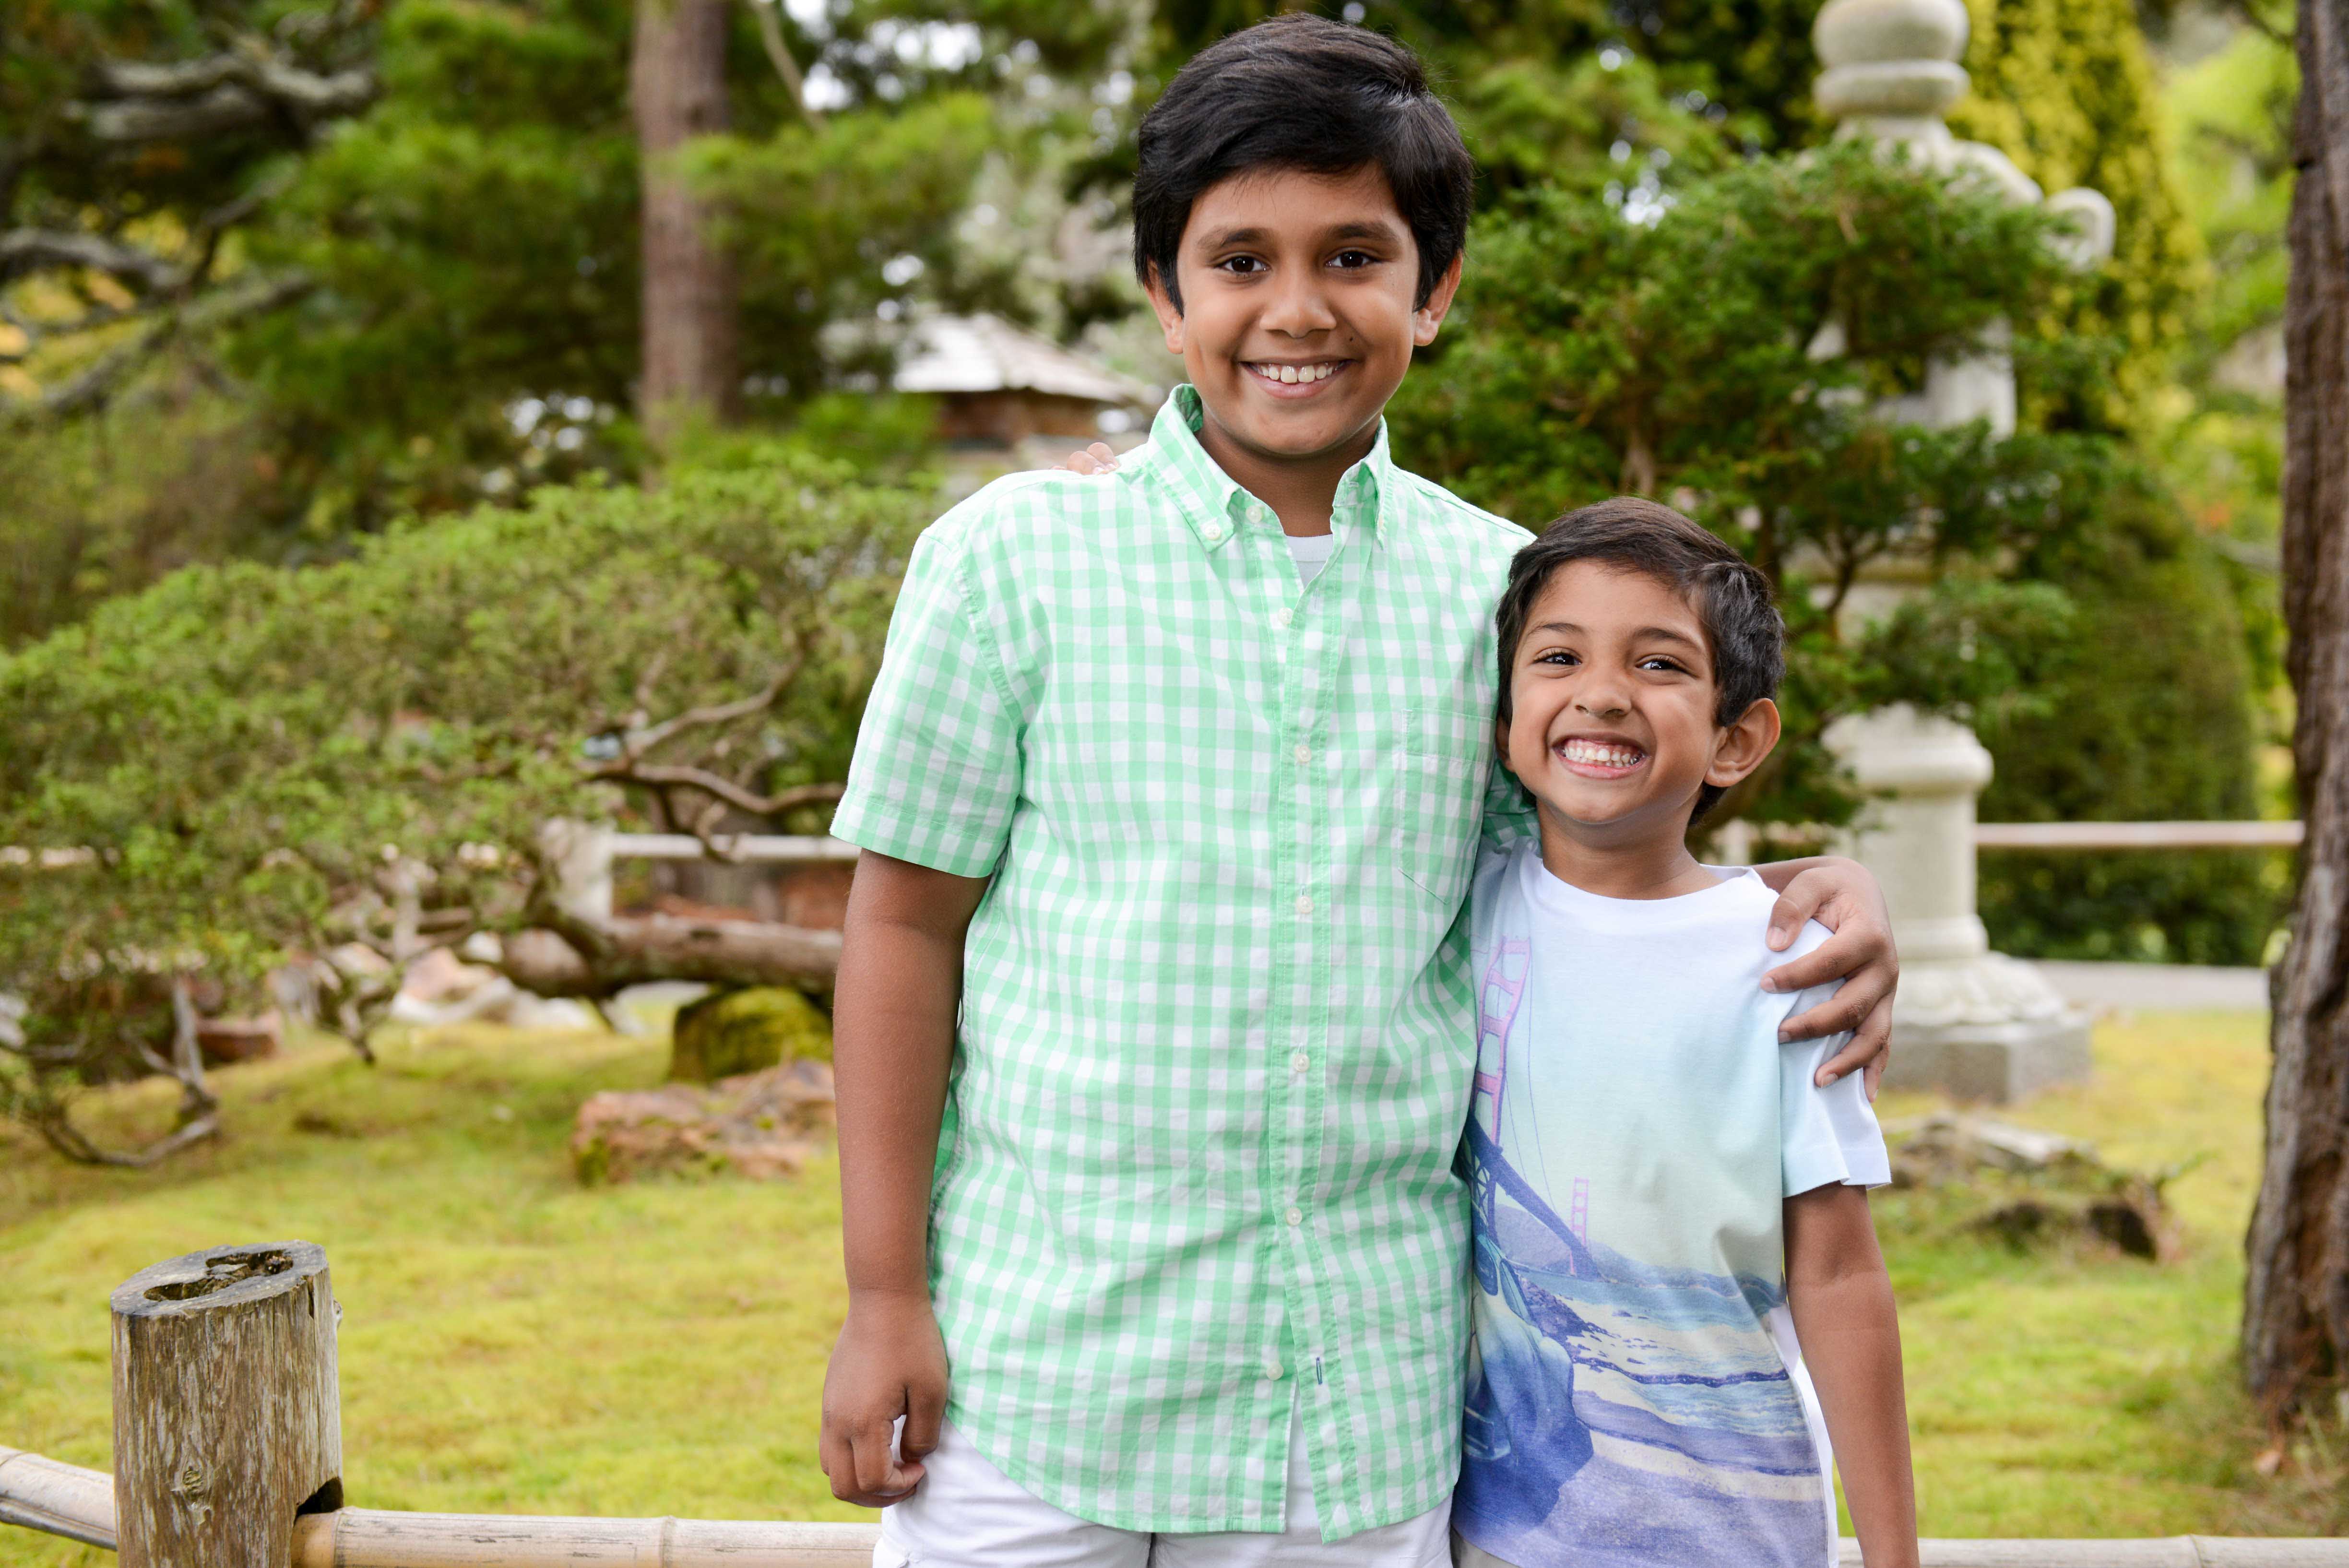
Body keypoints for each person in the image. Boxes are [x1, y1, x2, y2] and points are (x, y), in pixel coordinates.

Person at [819, 15, 1901, 1566]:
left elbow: (1595, 857)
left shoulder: (1497, 591)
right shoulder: (1006, 563)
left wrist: (1821, 882)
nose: (1296, 309)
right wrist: (881, 1295)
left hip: (1353, 1405)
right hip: (1028, 1373)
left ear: (1433, 288)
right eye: (1238, 260)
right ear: (1161, 290)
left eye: (1352, 256)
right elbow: (902, 926)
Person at [1450, 498, 1914, 1568]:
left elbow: (1840, 1274)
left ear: (1736, 737)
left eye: (1661, 665)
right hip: (1494, 1535)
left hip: (1734, 1531)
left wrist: (1894, 1556)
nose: (1602, 694)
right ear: (1502, 714)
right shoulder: (1452, 905)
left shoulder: (1793, 961)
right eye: (1558, 655)